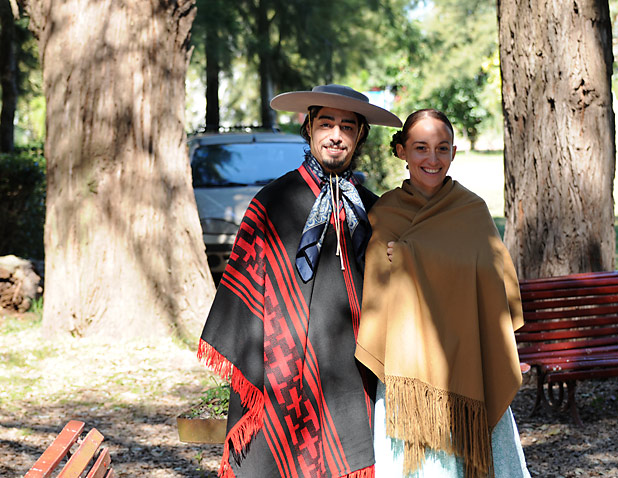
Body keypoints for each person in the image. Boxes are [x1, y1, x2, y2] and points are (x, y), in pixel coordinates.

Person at [197, 84, 402, 478]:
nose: (336, 135)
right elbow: (242, 296)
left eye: (347, 126)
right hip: (282, 370)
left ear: (361, 136)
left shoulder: (375, 210)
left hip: (352, 371)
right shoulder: (271, 203)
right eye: (326, 123)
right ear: (309, 129)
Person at [355, 109, 531, 478]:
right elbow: (378, 292)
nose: (432, 159)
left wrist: (414, 255)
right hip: (408, 367)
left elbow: (495, 283)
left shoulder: (472, 210)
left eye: (442, 148)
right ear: (402, 151)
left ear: (453, 152)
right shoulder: (385, 211)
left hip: (470, 359)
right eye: (421, 148)